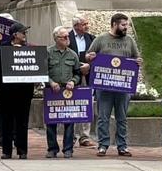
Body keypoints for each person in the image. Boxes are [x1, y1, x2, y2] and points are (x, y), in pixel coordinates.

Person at [87, 13, 140, 157]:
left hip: (123, 86)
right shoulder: (101, 39)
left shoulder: (129, 40)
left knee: (122, 118)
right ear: (114, 24)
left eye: (127, 25)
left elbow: (136, 57)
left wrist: (138, 62)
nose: (126, 28)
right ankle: (103, 145)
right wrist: (90, 57)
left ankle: (122, 146)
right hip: (104, 86)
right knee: (103, 117)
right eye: (123, 25)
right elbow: (88, 55)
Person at [0, 22, 34, 159]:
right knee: (7, 122)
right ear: (15, 34)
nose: (25, 35)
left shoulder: (28, 48)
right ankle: (7, 150)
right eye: (23, 32)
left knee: (22, 122)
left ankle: (22, 150)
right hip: (6, 92)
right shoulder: (3, 47)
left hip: (23, 92)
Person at [45, 25, 81, 158]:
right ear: (56, 39)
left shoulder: (72, 54)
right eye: (64, 37)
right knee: (51, 121)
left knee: (69, 120)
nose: (67, 39)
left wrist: (73, 81)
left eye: (68, 36)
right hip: (52, 90)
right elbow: (42, 71)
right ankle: (52, 148)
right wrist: (51, 82)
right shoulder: (48, 52)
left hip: (68, 90)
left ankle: (68, 149)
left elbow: (77, 73)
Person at [68, 16, 97, 149]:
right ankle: (71, 136)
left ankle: (85, 136)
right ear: (76, 26)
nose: (87, 26)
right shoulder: (67, 38)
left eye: (87, 23)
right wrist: (80, 66)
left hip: (88, 76)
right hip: (73, 76)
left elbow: (97, 56)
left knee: (88, 104)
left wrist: (89, 66)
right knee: (73, 104)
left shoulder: (91, 38)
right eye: (84, 24)